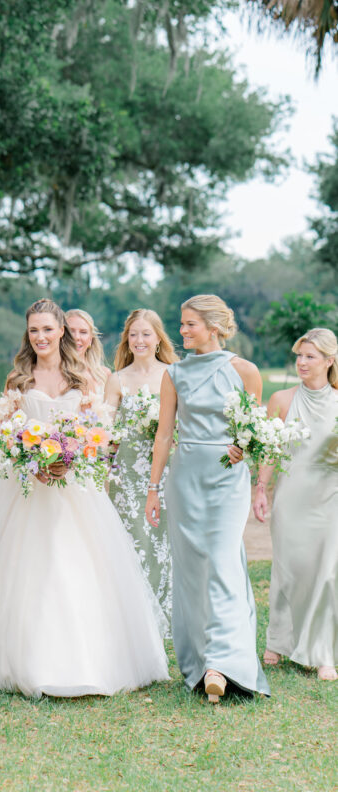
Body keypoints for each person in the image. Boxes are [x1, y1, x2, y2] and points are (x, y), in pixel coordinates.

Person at [0, 299, 169, 698]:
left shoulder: (83, 380)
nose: (40, 337)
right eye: (33, 331)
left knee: (74, 564)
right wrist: (31, 461)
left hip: (73, 488)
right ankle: (18, 659)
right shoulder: (18, 380)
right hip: (25, 488)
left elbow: (97, 435)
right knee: (21, 568)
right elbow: (5, 436)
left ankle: (84, 661)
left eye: (47, 329)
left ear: (62, 330)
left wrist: (69, 458)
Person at [145, 294, 269, 703]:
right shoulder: (174, 375)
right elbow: (164, 435)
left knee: (221, 560)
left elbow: (252, 430)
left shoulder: (246, 372)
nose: (182, 332)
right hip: (186, 477)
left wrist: (242, 447)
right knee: (193, 568)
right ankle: (200, 662)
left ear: (213, 327)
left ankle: (222, 662)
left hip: (227, 479)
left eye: (190, 325)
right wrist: (153, 487)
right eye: (180, 324)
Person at [253, 328, 338, 681]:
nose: (302, 362)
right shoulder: (283, 400)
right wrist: (260, 488)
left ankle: (321, 652)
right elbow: (271, 450)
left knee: (327, 573)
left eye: (310, 357)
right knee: (288, 570)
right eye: (299, 356)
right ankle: (279, 640)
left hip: (330, 497)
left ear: (329, 361)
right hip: (290, 496)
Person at [106, 309, 178, 634]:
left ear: (158, 338)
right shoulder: (117, 379)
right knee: (134, 540)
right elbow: (106, 429)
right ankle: (136, 618)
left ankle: (170, 612)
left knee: (165, 540)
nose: (139, 341)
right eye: (133, 334)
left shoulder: (175, 374)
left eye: (146, 334)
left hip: (168, 472)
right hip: (127, 476)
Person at [65, 309, 112, 396]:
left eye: (83, 332)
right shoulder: (54, 373)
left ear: (90, 339)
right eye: (71, 331)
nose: (77, 337)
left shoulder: (105, 374)